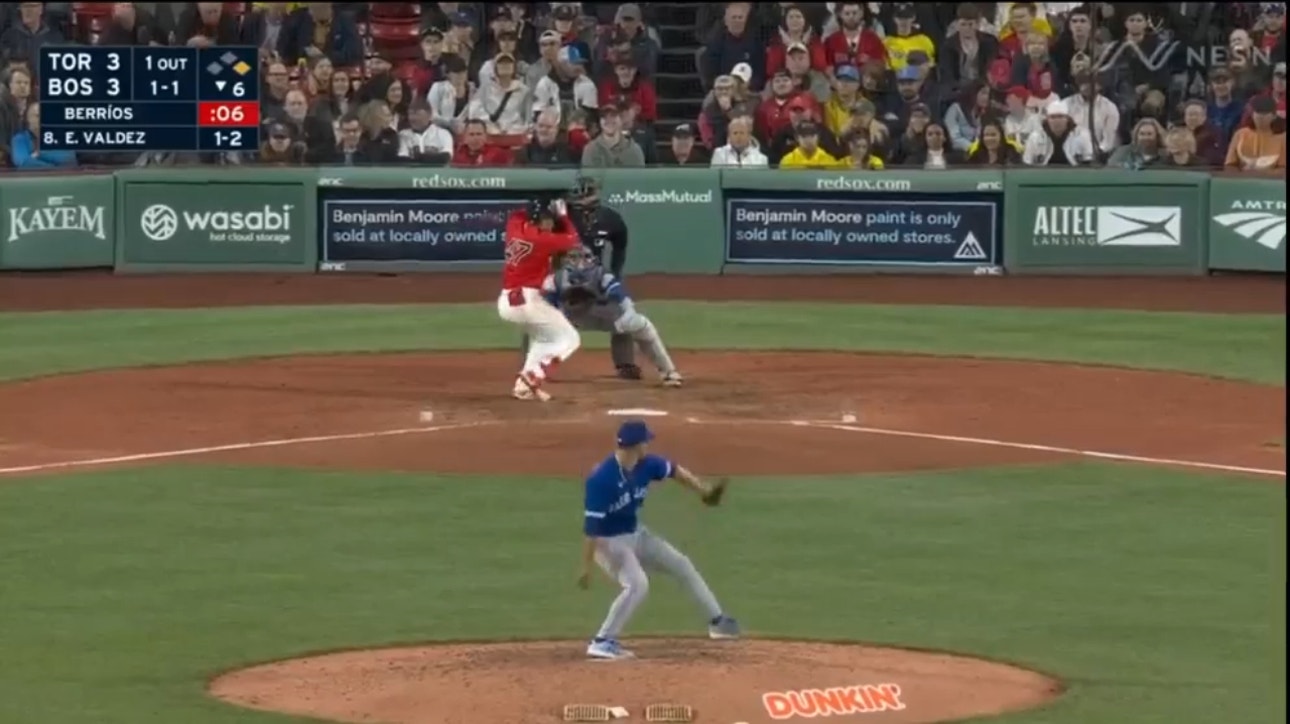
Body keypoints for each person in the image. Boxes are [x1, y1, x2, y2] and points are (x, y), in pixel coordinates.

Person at [580, 420, 740, 660]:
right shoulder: (602, 479)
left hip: (636, 533)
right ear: (636, 445)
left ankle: (718, 623)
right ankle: (602, 641)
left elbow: (674, 471)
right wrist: (586, 567)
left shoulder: (647, 464)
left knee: (681, 564)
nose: (649, 444)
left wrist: (703, 491)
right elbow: (591, 528)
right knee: (637, 584)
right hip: (608, 542)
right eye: (646, 440)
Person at [542, 248, 683, 388]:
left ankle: (533, 372)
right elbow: (547, 305)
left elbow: (618, 296)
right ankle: (669, 372)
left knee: (641, 326)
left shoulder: (562, 277)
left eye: (584, 257)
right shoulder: (564, 277)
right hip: (593, 318)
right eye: (575, 257)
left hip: (601, 317)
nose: (580, 262)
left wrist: (589, 298)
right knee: (542, 325)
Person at [498, 197, 582, 402]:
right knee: (570, 339)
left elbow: (517, 214)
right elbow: (573, 239)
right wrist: (563, 216)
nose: (551, 224)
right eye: (548, 220)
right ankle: (532, 376)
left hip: (508, 301)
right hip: (526, 301)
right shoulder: (541, 240)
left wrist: (538, 206)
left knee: (544, 339)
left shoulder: (515, 227)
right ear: (539, 220)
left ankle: (523, 386)